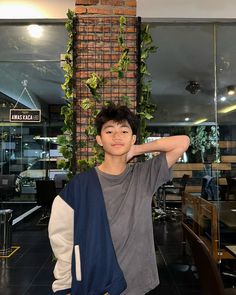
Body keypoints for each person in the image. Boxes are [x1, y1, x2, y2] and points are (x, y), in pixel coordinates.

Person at [48, 103, 190, 295]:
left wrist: (137, 149)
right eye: (109, 131)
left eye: (124, 131)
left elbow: (183, 142)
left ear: (133, 138)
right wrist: (64, 283)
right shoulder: (82, 185)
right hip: (97, 281)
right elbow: (62, 238)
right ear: (99, 139)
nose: (117, 136)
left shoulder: (144, 175)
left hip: (138, 281)